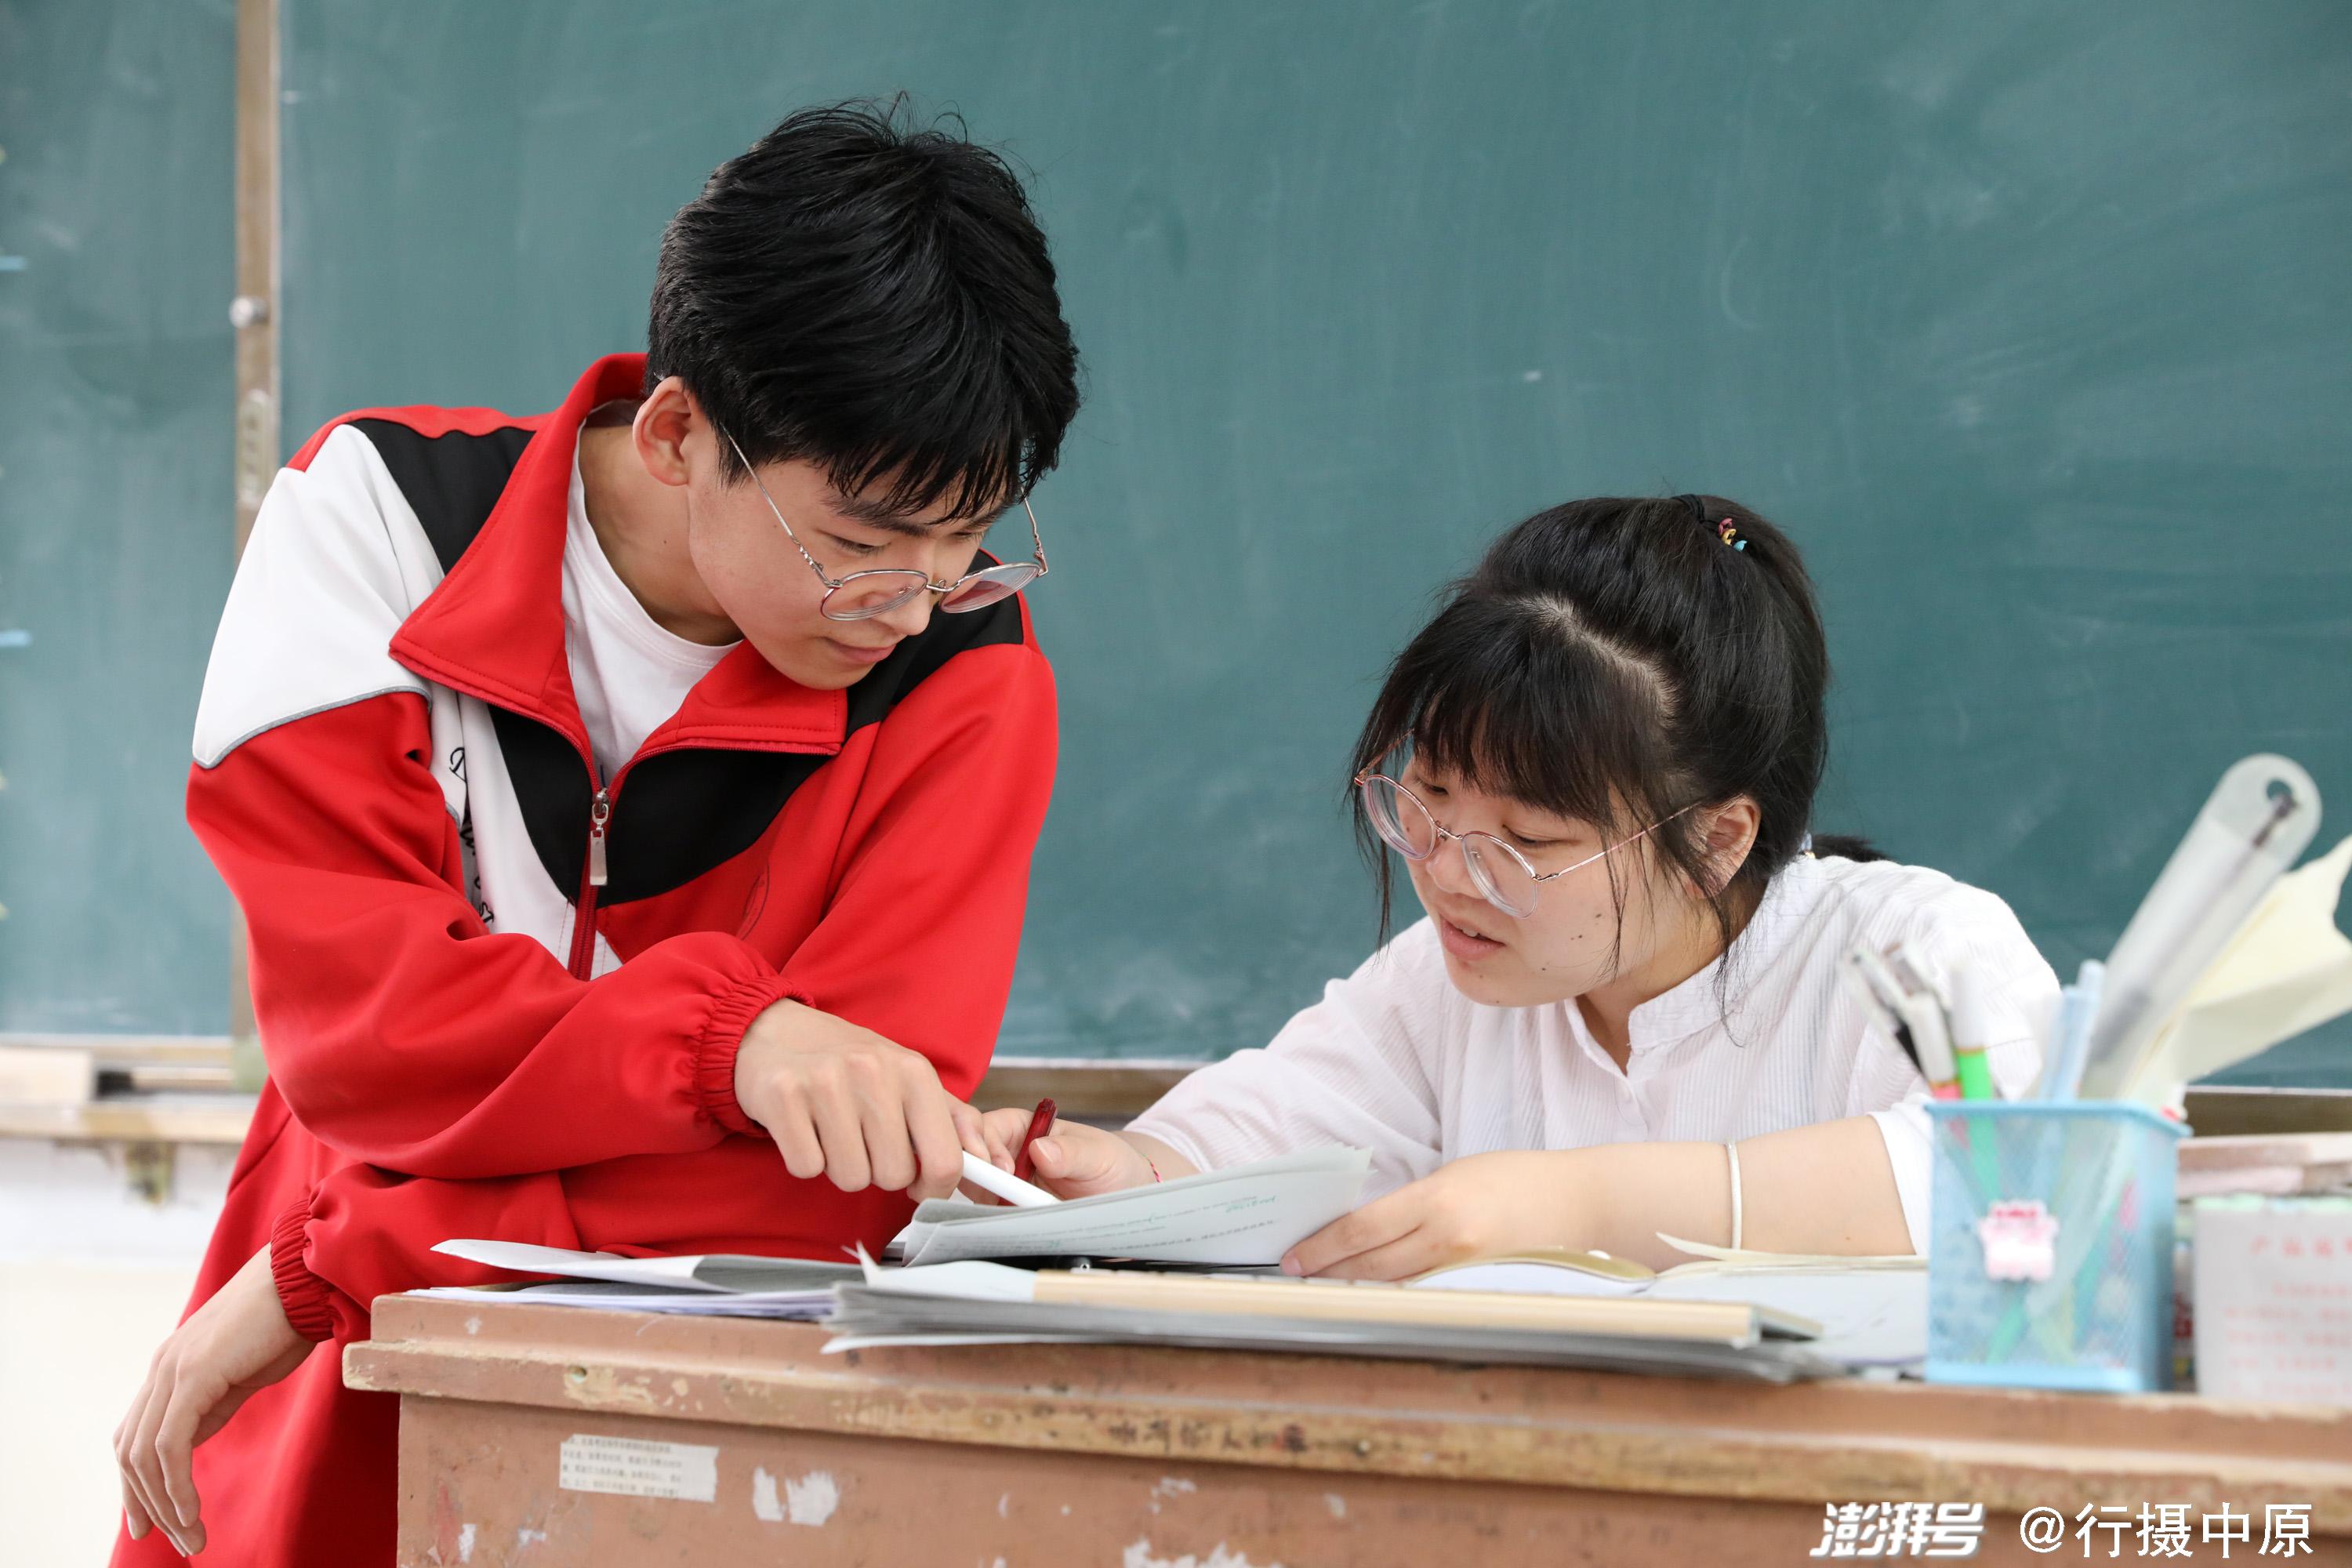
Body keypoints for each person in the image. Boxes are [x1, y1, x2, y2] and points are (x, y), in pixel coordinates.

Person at [113, 100, 1079, 1566]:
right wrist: (728, 1044)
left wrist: (331, 1266)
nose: (911, 602)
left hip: (682, 1423)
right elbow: (366, 1039)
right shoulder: (374, 524)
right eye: (865, 543)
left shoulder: (969, 671)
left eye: (973, 542)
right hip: (337, 1406)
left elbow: (858, 1174)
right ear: (684, 432)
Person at [982, 495, 2058, 1279]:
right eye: (1429, 797)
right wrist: (1110, 1174)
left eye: (1527, 840)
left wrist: (1572, 1200)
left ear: (1721, 837)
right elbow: (1249, 1145)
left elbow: (2025, 1184)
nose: (1447, 874)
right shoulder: (1444, 987)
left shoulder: (1923, 954)